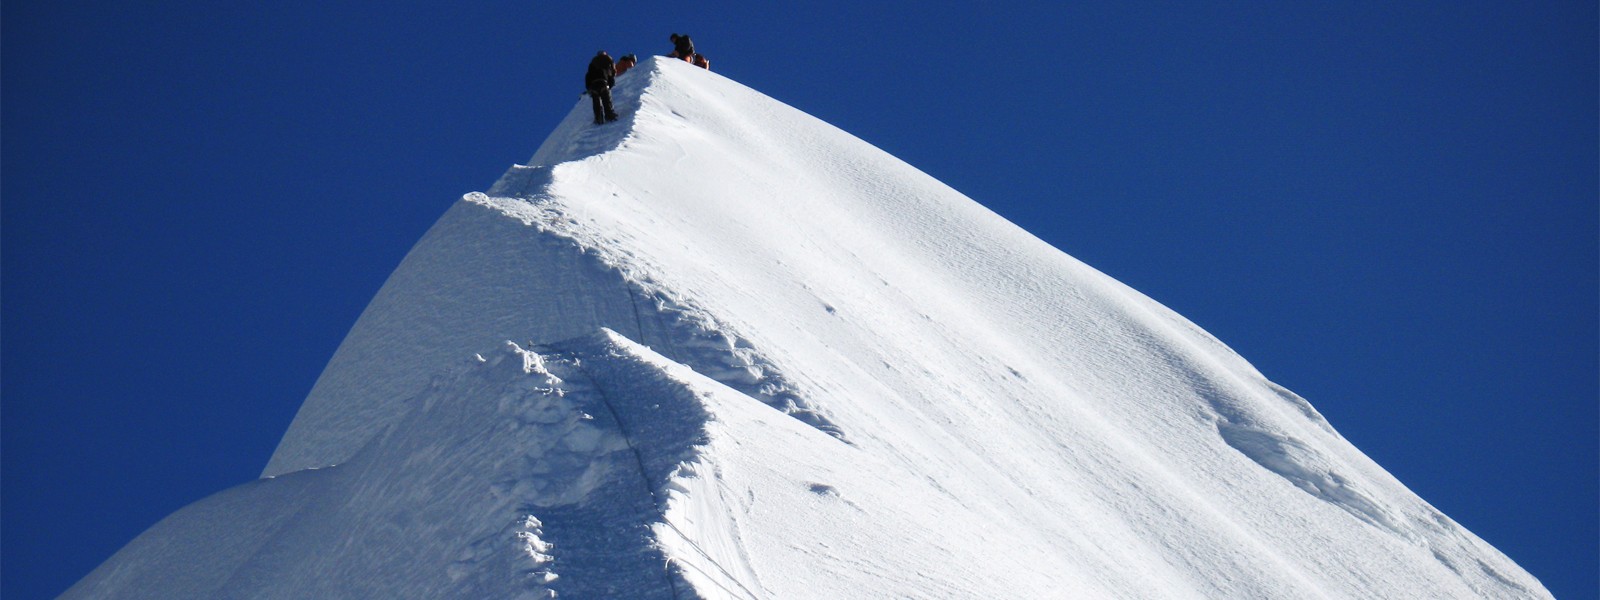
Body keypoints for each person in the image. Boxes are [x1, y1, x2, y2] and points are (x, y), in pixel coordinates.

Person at [584, 51, 619, 124]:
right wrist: (611, 84)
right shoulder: (607, 62)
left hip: (593, 85)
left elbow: (587, 78)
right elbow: (611, 76)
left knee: (596, 102)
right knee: (606, 100)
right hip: (603, 82)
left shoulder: (592, 66)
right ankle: (609, 115)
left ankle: (598, 118)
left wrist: (589, 88)